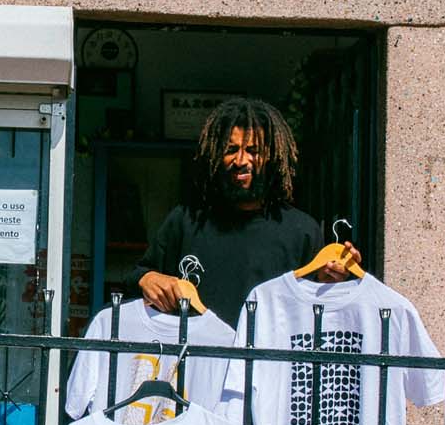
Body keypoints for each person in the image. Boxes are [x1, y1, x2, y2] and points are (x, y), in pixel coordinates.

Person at [132, 96, 362, 326]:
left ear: (272, 156)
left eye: (253, 150)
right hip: (196, 358)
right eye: (231, 149)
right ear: (214, 155)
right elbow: (136, 279)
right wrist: (147, 279)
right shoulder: (186, 220)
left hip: (267, 360)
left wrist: (332, 279)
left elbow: (316, 312)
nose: (241, 160)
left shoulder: (301, 231)